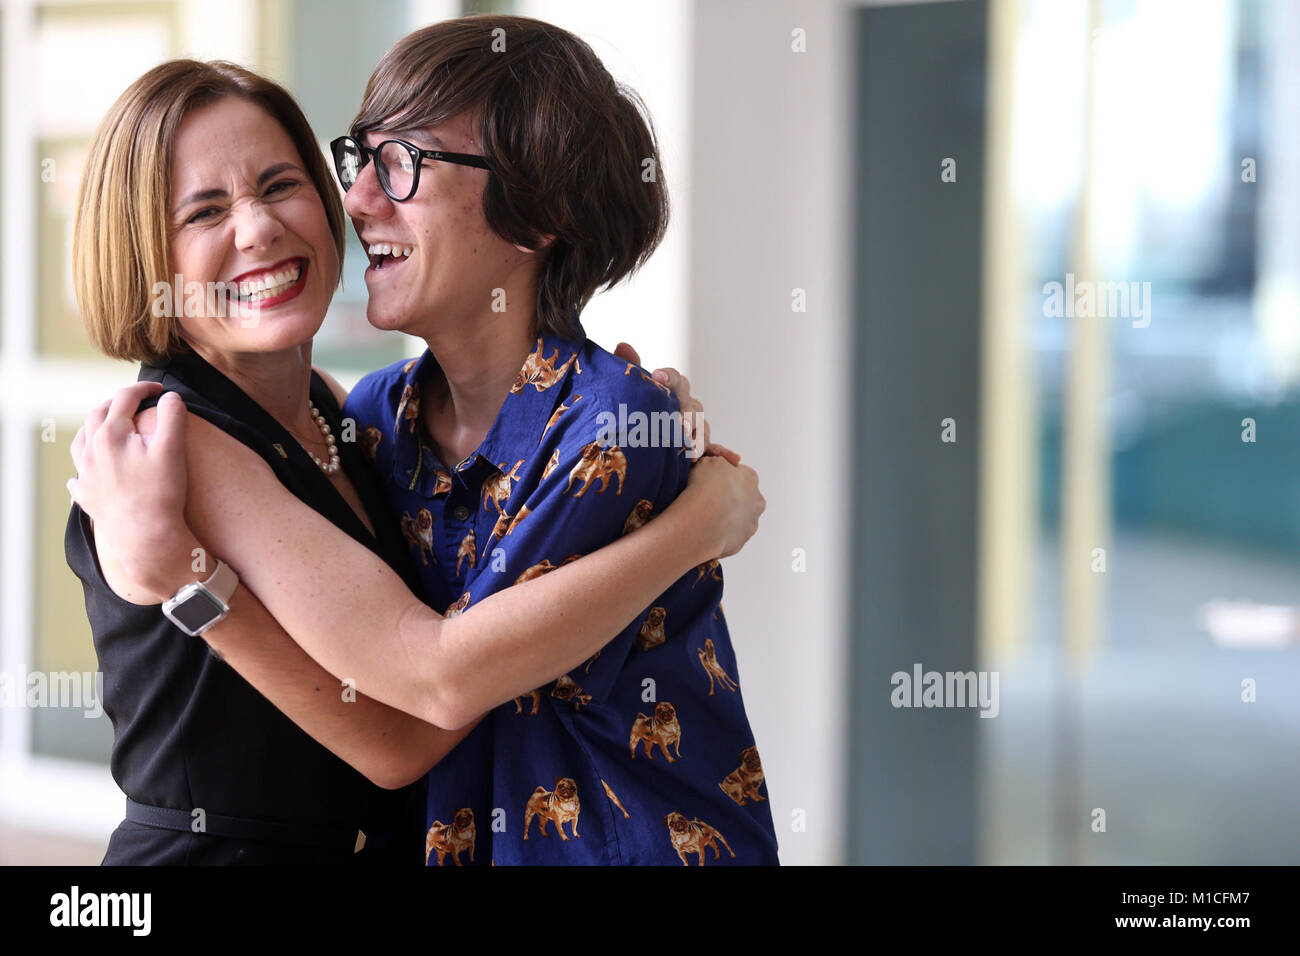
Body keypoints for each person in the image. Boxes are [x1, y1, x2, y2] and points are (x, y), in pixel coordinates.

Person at [65, 55, 763, 866]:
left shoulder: (356, 417)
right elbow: (422, 704)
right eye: (205, 210)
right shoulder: (180, 443)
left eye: (282, 184)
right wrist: (699, 524)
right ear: (145, 253)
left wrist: (648, 443)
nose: (257, 228)